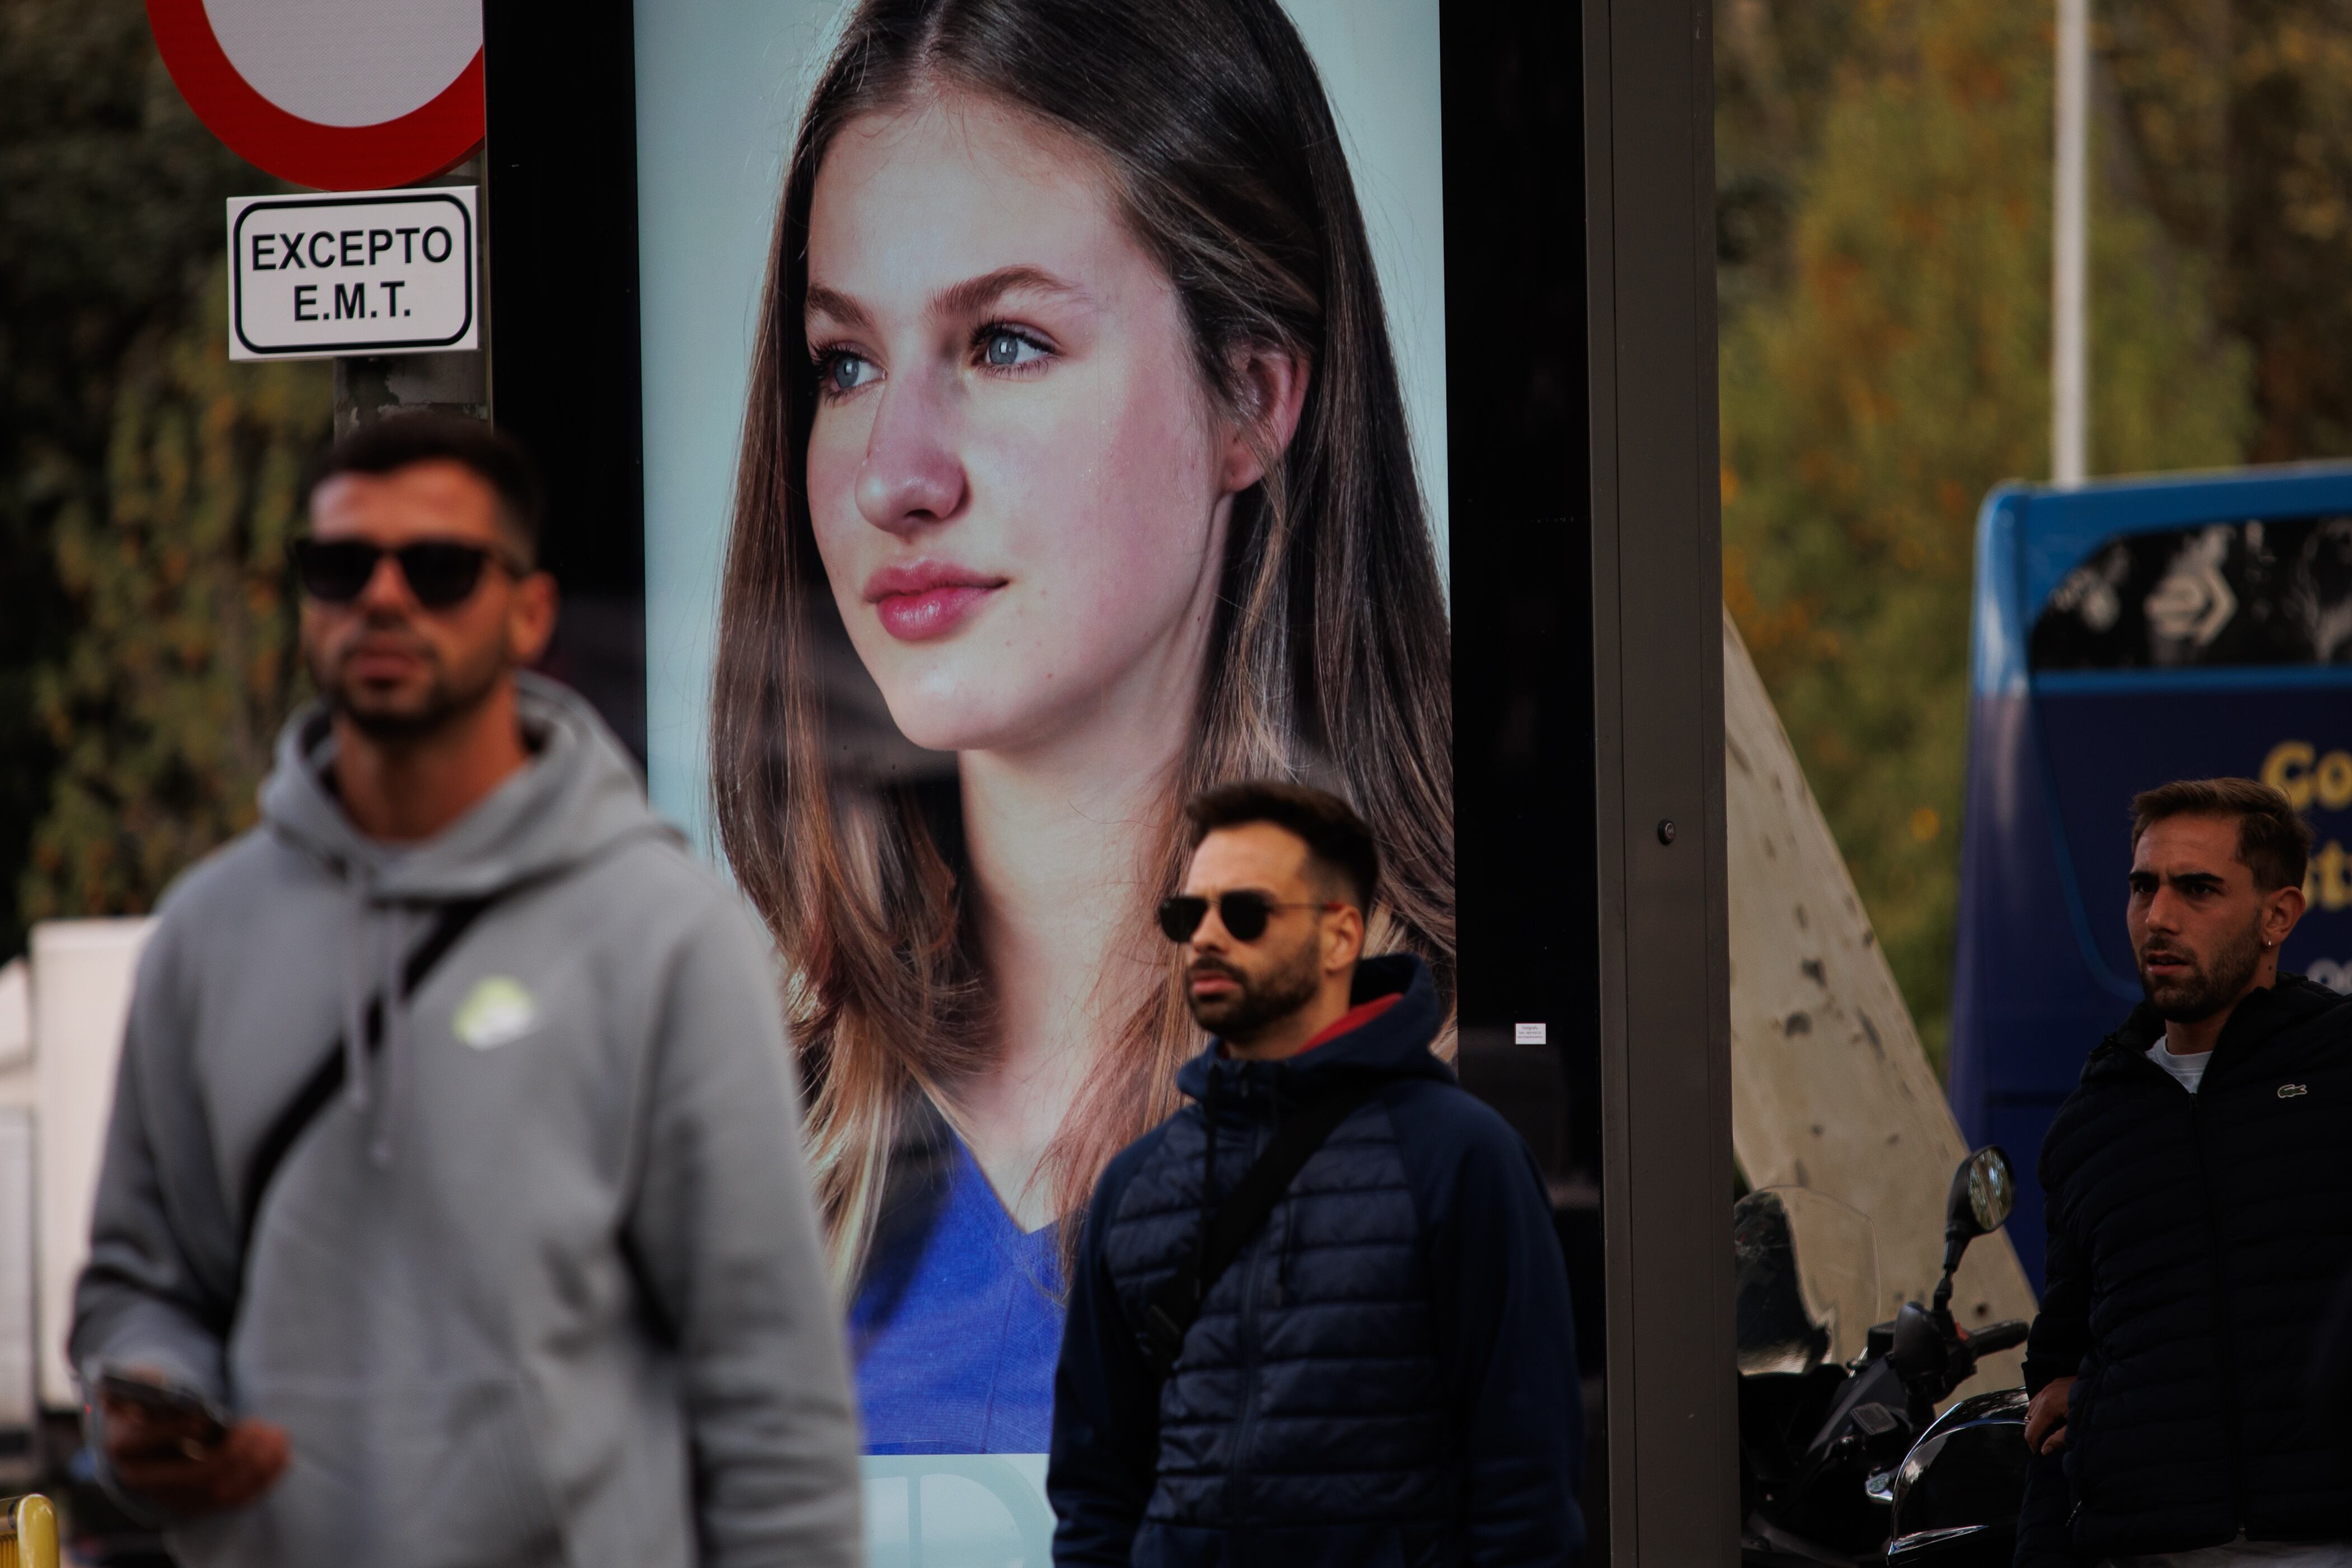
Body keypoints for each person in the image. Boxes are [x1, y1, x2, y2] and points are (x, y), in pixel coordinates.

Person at [712, 0, 1454, 1455]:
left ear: (1253, 399)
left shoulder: (1461, 1109)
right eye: (846, 364)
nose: (894, 477)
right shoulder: (711, 1157)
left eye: (1004, 343)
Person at [69, 416, 862, 1567]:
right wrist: (152, 1401)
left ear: (528, 613)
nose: (383, 599)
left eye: (439, 568)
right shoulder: (206, 934)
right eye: (341, 567)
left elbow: (771, 1395)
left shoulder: (665, 935)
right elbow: (139, 1289)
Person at [1047, 782, 1582, 1567]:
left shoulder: (1461, 1157)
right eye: (1188, 915)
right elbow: (1095, 1494)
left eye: (1245, 913)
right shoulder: (1137, 1184)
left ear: (1340, 937)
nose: (1206, 939)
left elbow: (1525, 1491)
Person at [2018, 777, 2352, 1568]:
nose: (2159, 917)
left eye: (2197, 889)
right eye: (2144, 887)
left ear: (2278, 916)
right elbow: (2055, 1394)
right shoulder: (2092, 1123)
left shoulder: (2342, 1068)